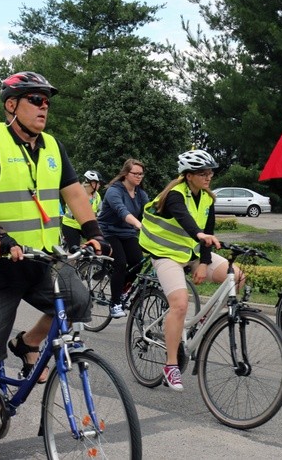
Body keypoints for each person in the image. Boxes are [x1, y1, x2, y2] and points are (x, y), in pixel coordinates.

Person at [0, 71, 110, 460]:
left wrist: (93, 230)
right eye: (35, 100)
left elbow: (72, 191)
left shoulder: (53, 146)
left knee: (77, 300)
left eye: (47, 101)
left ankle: (28, 342)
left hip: (40, 260)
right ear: (12, 105)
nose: (44, 107)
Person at [138, 149, 238, 391]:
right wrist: (199, 234)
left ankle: (203, 320)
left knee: (237, 276)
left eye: (211, 172)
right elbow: (186, 220)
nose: (209, 176)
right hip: (165, 254)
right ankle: (171, 365)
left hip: (191, 252)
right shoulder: (174, 195)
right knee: (180, 304)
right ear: (188, 175)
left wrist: (204, 262)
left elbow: (208, 232)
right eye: (203, 173)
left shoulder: (207, 198)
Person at [97, 159, 150, 318]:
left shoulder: (141, 194)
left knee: (137, 262)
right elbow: (122, 211)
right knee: (120, 262)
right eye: (135, 174)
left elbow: (150, 212)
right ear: (126, 174)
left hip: (127, 233)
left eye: (141, 174)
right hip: (108, 231)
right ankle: (114, 303)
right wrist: (138, 225)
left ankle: (120, 289)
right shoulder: (114, 191)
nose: (139, 177)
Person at [61, 170, 103, 250]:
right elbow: (73, 211)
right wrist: (92, 214)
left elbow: (101, 211)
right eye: (99, 183)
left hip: (86, 225)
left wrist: (97, 216)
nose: (100, 185)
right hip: (71, 225)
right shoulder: (77, 192)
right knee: (74, 249)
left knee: (96, 245)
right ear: (93, 183)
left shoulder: (97, 196)